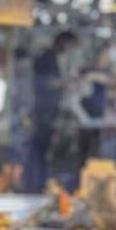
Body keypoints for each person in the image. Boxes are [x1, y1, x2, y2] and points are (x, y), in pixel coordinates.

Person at [27, 30, 79, 192]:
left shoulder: (52, 57)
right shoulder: (48, 57)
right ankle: (36, 184)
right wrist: (65, 82)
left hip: (48, 110)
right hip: (44, 111)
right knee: (39, 150)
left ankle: (40, 183)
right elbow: (46, 82)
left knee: (42, 150)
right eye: (70, 46)